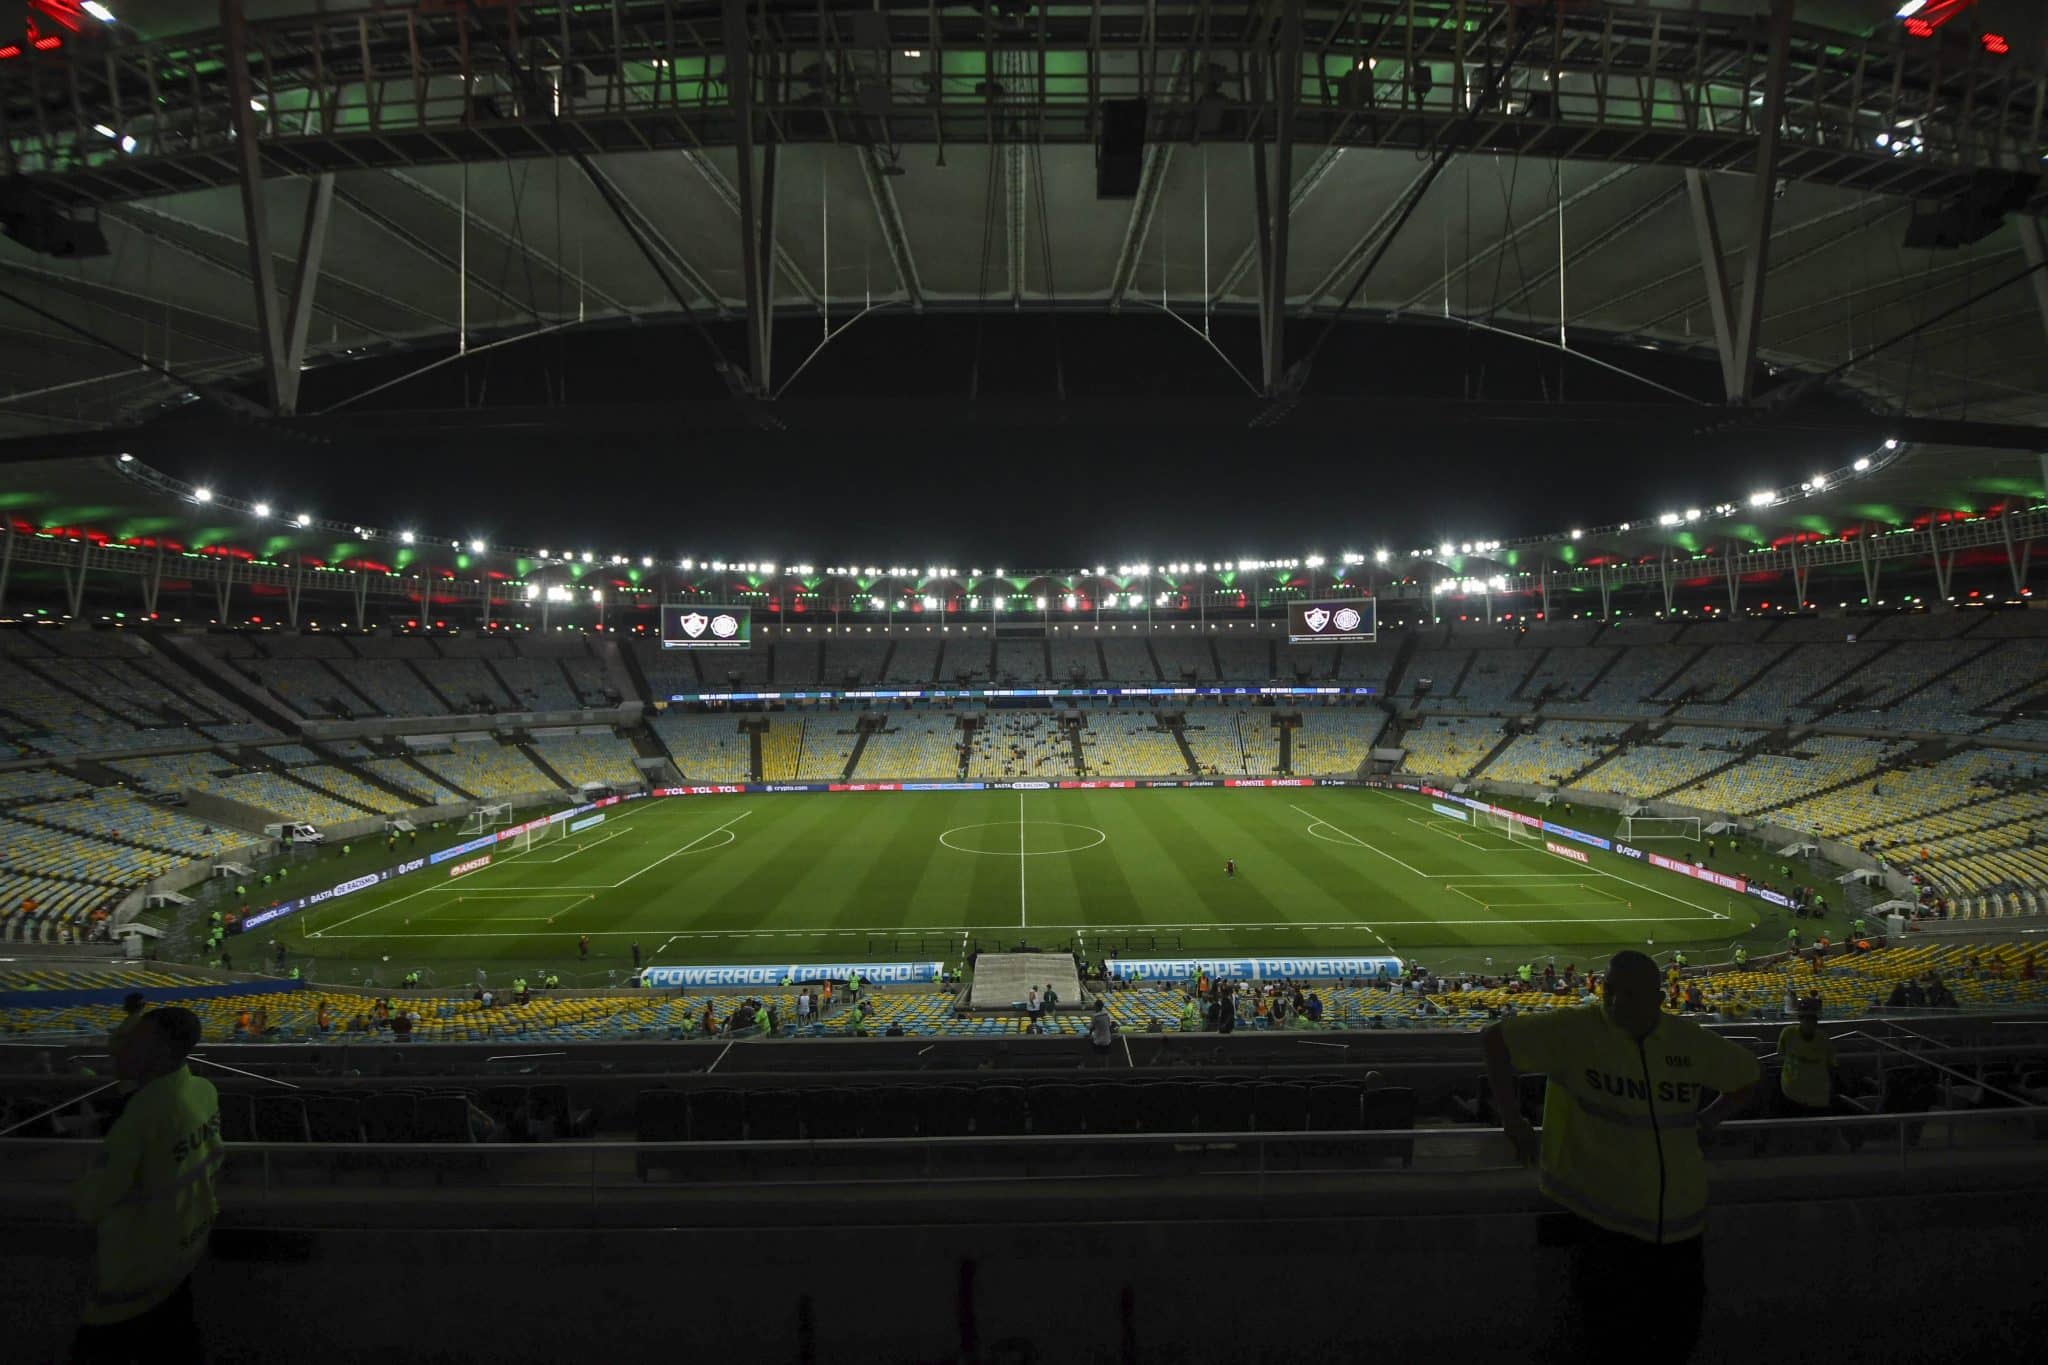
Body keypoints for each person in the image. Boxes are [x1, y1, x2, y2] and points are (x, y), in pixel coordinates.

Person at [1480, 950, 1759, 1361]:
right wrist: (1512, 1120)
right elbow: (1494, 1041)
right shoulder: (1577, 1030)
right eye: (1609, 990)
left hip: (1681, 1231)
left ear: (1657, 998)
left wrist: (1707, 1120)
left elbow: (1749, 1077)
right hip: (1602, 1224)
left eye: (1628, 993)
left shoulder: (1688, 1041)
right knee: (1603, 1342)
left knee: (1675, 1342)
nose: (1614, 1001)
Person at [69, 1007, 221, 1363]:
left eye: (134, 1042)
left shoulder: (143, 1114)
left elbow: (90, 1205)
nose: (117, 1050)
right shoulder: (204, 1091)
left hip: (136, 1276)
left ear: (162, 1051)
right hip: (186, 1250)